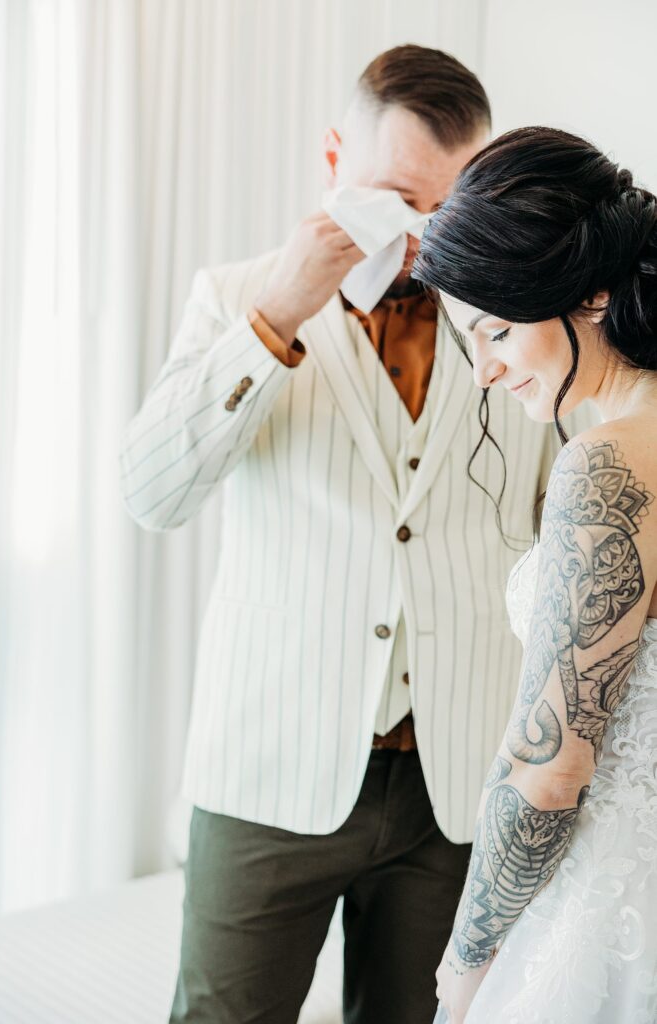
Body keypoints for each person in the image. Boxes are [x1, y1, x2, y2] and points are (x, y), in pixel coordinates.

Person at [120, 48, 584, 1023]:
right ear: (333, 158)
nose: (422, 235)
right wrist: (272, 317)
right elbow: (152, 494)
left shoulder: (520, 323)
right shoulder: (232, 293)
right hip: (268, 772)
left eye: (451, 207)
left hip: (453, 788)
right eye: (395, 198)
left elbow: (568, 526)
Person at [412, 126, 657, 1024]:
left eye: (498, 329)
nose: (483, 370)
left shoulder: (609, 469)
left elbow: (550, 767)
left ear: (591, 295)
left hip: (612, 905)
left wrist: (467, 956)